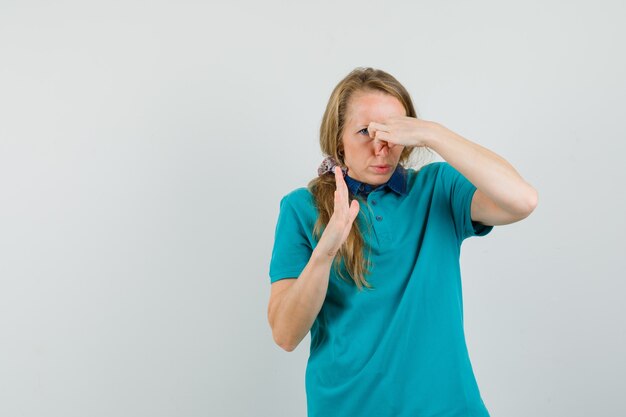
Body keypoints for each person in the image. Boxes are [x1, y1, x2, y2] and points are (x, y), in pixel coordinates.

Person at [267, 67, 538, 417]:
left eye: (393, 131)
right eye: (366, 131)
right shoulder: (300, 208)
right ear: (339, 140)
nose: (381, 146)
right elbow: (286, 335)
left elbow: (523, 200)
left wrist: (433, 133)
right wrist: (326, 250)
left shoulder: (437, 188)